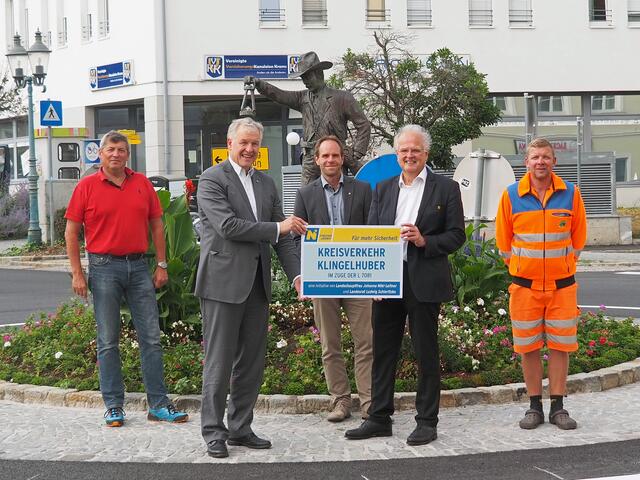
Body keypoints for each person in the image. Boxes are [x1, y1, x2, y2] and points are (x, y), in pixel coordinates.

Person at [345, 124, 465, 446]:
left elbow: (457, 235)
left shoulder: (446, 189)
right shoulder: (382, 188)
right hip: (386, 279)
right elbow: (370, 234)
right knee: (383, 352)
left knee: (426, 352)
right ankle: (379, 418)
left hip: (423, 280)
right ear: (396, 154)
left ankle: (427, 421)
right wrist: (368, 278)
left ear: (426, 154)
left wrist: (425, 240)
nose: (409, 155)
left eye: (415, 150)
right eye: (403, 150)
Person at [195, 117, 307, 459]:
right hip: (222, 284)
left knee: (252, 363)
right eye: (243, 143)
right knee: (219, 360)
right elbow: (229, 227)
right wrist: (278, 228)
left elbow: (283, 239)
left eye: (254, 144)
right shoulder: (211, 179)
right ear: (229, 144)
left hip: (257, 286)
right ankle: (214, 432)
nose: (249, 149)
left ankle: (240, 428)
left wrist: (298, 276)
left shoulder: (266, 183)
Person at [64, 130, 189, 427]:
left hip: (139, 268)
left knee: (151, 338)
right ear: (100, 153)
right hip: (103, 268)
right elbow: (71, 233)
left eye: (122, 149)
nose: (116, 154)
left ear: (127, 154)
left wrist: (161, 264)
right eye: (111, 149)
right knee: (108, 340)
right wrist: (78, 273)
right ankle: (113, 405)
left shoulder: (142, 184)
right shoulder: (86, 187)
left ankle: (158, 404)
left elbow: (157, 226)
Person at [495, 138, 587, 430]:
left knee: (561, 347)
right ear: (527, 162)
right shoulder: (511, 196)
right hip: (524, 288)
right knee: (528, 347)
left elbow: (578, 240)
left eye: (546, 157)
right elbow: (503, 244)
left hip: (562, 288)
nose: (541, 162)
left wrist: (560, 267)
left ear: (554, 162)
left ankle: (558, 407)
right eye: (535, 157)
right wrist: (524, 269)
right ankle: (534, 406)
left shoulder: (571, 194)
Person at [293, 135, 373, 423]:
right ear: (317, 160)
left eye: (335, 156)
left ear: (342, 159)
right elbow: (296, 238)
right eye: (324, 156)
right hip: (323, 278)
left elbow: (373, 233)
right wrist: (301, 275)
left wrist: (378, 278)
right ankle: (340, 401)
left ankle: (369, 401)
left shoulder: (363, 190)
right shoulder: (306, 194)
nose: (330, 161)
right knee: (330, 343)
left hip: (358, 278)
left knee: (366, 341)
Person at [246, 51, 370, 185]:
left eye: (307, 77)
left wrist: (355, 153)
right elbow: (279, 95)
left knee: (338, 193)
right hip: (310, 158)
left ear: (319, 73)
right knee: (305, 198)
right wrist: (259, 84)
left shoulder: (343, 98)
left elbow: (363, 125)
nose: (305, 82)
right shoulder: (302, 98)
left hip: (333, 157)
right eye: (302, 78)